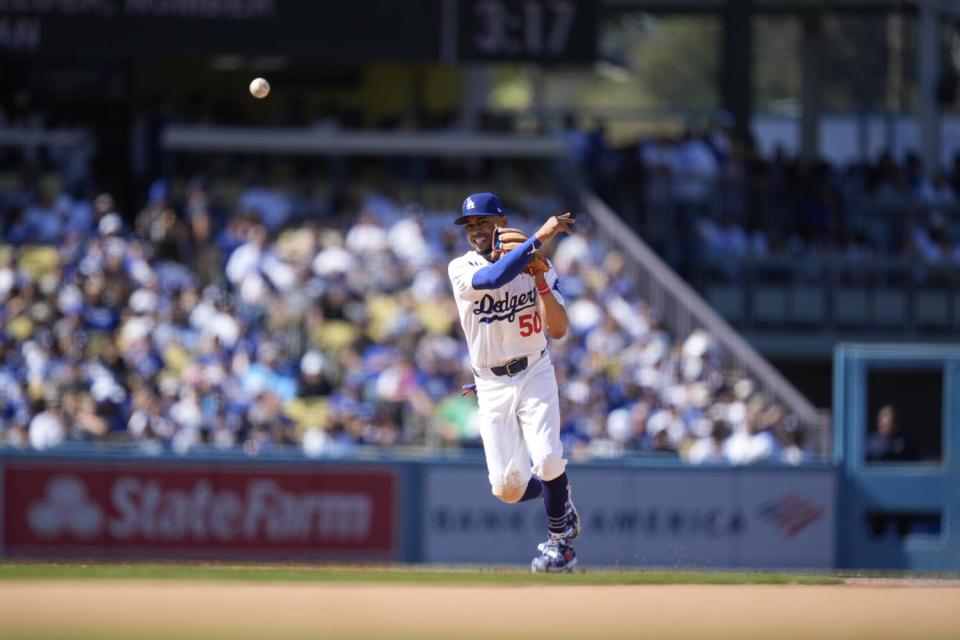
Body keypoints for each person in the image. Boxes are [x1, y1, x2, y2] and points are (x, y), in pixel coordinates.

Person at [447, 192, 581, 573]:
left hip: (534, 369)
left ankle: (561, 545)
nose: (475, 231)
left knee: (549, 457)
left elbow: (558, 329)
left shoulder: (536, 264)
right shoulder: (462, 267)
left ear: (501, 223)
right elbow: (492, 277)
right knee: (507, 488)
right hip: (490, 383)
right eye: (470, 225)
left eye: (484, 223)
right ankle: (561, 500)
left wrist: (539, 276)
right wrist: (537, 239)